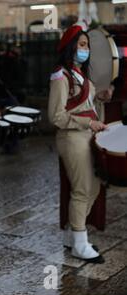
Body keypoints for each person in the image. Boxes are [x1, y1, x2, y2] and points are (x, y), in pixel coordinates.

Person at [48, 23, 113, 263]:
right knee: (83, 190)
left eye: (87, 45)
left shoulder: (79, 72)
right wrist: (88, 124)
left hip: (86, 136)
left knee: (94, 187)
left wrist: (99, 97)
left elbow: (82, 105)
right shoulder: (60, 75)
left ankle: (73, 237)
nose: (86, 49)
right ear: (71, 47)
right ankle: (80, 244)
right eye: (82, 44)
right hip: (72, 137)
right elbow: (56, 116)